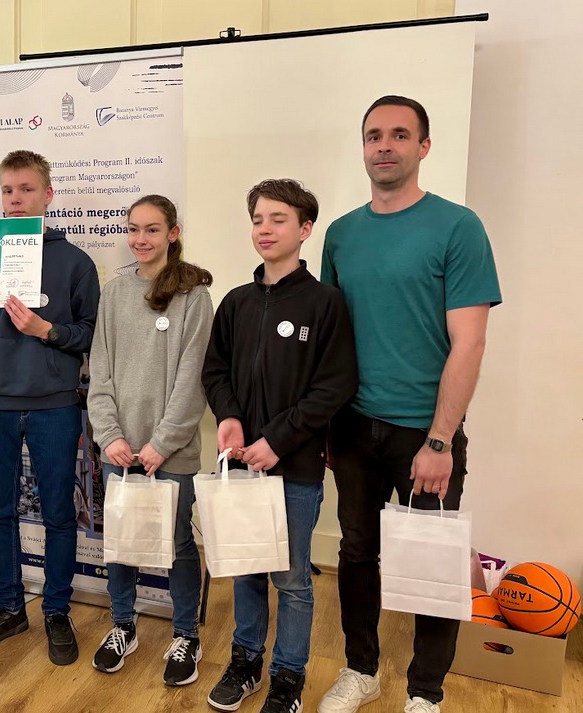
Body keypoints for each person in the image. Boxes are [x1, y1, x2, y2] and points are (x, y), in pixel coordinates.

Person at [318, 96, 501, 713]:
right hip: (353, 428)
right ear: (363, 148)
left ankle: (426, 693)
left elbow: (469, 342)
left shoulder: (457, 227)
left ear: (424, 147)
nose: (385, 146)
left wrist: (440, 440)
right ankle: (361, 671)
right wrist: (326, 426)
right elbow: (333, 339)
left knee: (431, 564)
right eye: (374, 135)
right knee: (355, 552)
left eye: (400, 135)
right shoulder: (341, 234)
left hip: (426, 433)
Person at [202, 179, 358, 713]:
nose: (264, 229)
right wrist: (229, 417)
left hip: (295, 468)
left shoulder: (325, 303)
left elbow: (334, 385)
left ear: (305, 229)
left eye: (278, 219)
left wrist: (278, 439)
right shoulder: (236, 302)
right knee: (246, 569)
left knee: (291, 579)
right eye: (257, 220)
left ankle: (288, 676)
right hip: (242, 466)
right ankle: (245, 661)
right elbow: (215, 370)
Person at [0, 149, 100, 665]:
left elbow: (91, 335)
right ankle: (10, 606)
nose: (15, 199)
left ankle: (56, 610)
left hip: (53, 405)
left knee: (59, 512)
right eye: (8, 190)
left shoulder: (76, 263)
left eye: (26, 189)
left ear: (48, 195)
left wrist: (47, 330)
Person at [87, 195, 214, 685]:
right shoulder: (115, 293)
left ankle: (186, 635)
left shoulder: (193, 297)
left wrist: (162, 443)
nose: (140, 239)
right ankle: (123, 625)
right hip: (119, 449)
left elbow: (192, 380)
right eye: (134, 229)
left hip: (171, 452)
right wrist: (109, 435)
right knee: (121, 540)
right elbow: (100, 371)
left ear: (173, 234)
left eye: (152, 229)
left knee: (178, 541)